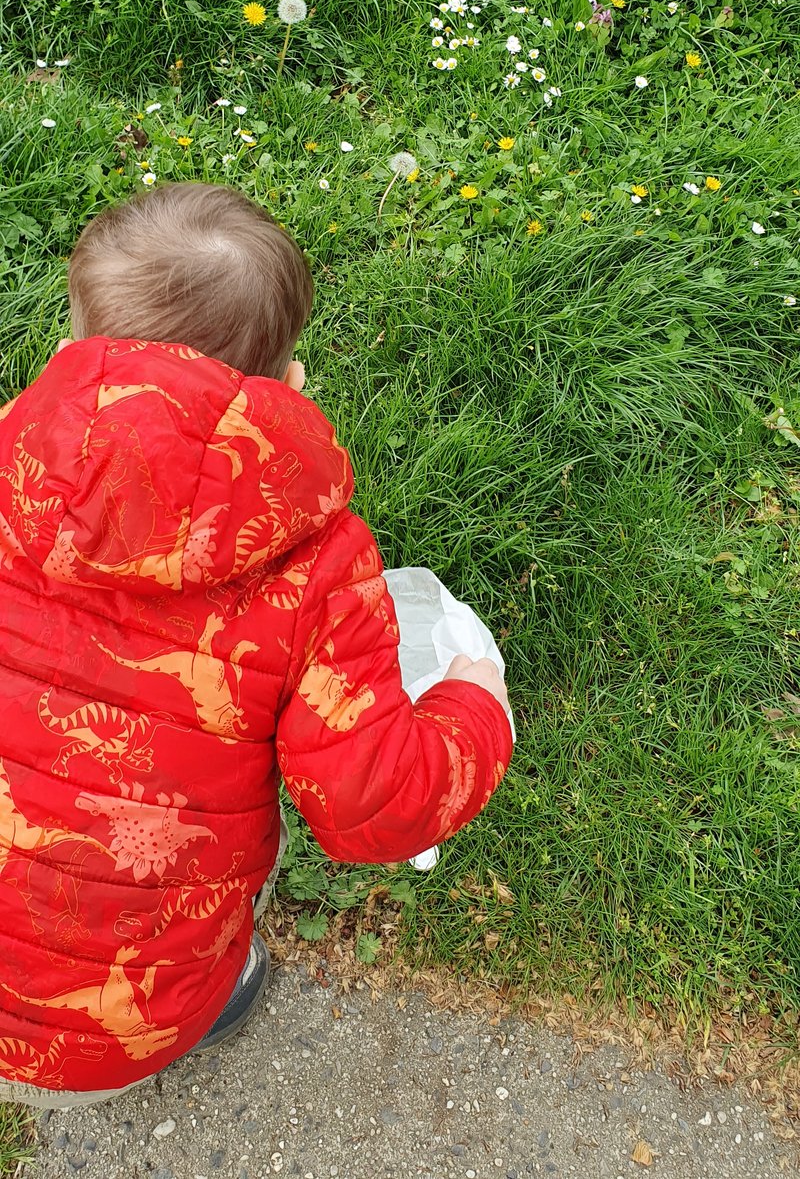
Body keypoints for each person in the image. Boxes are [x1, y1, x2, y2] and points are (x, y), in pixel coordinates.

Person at [0, 182, 512, 1107]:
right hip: (120, 1036)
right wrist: (474, 700)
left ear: (72, 349)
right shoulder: (315, 560)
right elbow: (377, 804)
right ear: (289, 383)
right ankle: (222, 988)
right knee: (222, 869)